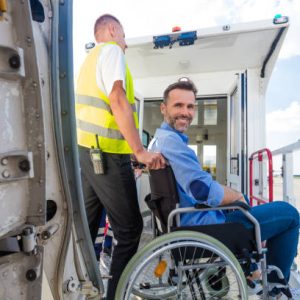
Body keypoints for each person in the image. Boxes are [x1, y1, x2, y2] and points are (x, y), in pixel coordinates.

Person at [148, 79, 299, 294]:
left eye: (190, 106)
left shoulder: (158, 141)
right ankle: (274, 287)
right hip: (205, 229)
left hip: (186, 223)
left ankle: (253, 269)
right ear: (164, 108)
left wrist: (233, 196)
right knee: (289, 214)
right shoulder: (172, 143)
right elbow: (201, 190)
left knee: (241, 199)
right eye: (178, 105)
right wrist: (235, 196)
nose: (186, 112)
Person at [75, 14, 165, 299]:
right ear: (112, 30)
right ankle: (115, 294)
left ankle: (81, 288)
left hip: (87, 153)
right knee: (130, 228)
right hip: (107, 154)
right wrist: (139, 150)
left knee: (87, 229)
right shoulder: (111, 50)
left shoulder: (87, 62)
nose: (125, 44)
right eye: (124, 36)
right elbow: (117, 99)